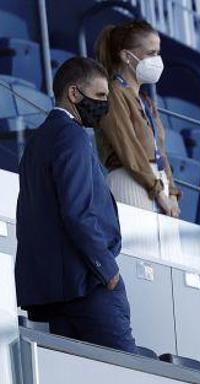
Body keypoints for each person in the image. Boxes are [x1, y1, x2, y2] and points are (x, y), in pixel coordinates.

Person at [14, 57, 136, 353]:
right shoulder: (72, 137)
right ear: (73, 94)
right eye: (99, 96)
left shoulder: (38, 139)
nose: (105, 103)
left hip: (52, 293)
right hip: (87, 284)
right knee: (129, 376)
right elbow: (78, 213)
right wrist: (107, 271)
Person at [93, 19, 181, 216]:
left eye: (158, 53)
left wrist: (172, 192)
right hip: (132, 182)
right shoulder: (114, 92)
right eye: (151, 53)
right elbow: (128, 147)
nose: (157, 59)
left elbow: (161, 151)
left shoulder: (145, 100)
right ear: (126, 56)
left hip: (158, 184)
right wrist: (158, 192)